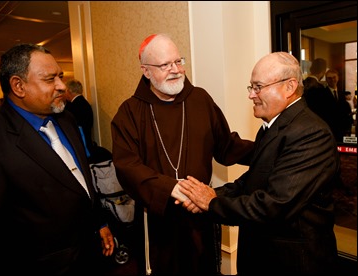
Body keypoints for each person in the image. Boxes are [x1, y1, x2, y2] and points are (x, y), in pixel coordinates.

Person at [178, 52, 340, 275]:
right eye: (251, 87)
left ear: (289, 87)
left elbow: (275, 205)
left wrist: (212, 204)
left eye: (258, 87)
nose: (251, 95)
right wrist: (210, 194)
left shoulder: (311, 134)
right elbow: (252, 181)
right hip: (265, 256)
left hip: (294, 262)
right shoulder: (273, 126)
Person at [111, 33, 254, 275]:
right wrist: (171, 188)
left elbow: (226, 146)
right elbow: (127, 166)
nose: (176, 70)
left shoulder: (200, 99)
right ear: (146, 71)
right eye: (165, 65)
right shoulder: (130, 112)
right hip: (160, 217)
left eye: (179, 61)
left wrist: (272, 147)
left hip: (200, 213)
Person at [0, 43, 115, 275]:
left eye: (61, 77)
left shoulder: (67, 119)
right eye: (50, 79)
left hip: (91, 253)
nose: (62, 86)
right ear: (18, 86)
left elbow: (81, 182)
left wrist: (100, 222)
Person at [65, 78, 95, 160]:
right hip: (87, 143)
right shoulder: (84, 103)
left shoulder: (73, 106)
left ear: (69, 91)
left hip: (81, 146)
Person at [324, 69, 353, 140]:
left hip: (342, 131)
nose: (332, 80)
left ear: (338, 78)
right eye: (329, 78)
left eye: (334, 77)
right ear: (326, 80)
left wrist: (347, 129)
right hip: (329, 131)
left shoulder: (342, 94)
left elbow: (346, 113)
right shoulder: (322, 94)